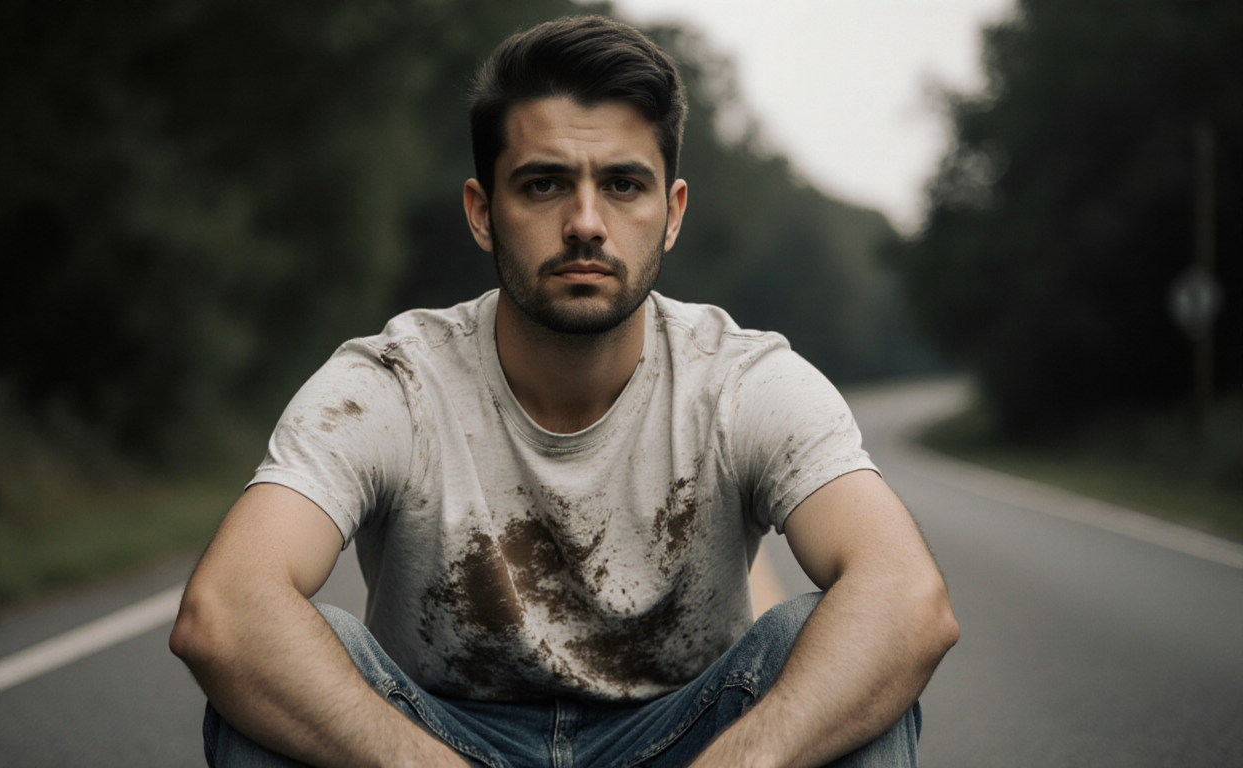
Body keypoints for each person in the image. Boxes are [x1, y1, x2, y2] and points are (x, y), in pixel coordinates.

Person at [169, 14, 959, 768]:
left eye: (622, 184)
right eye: (544, 185)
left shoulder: (742, 381)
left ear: (671, 213)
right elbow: (227, 609)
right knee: (283, 675)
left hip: (688, 741)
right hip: (437, 738)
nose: (585, 222)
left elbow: (907, 598)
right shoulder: (391, 383)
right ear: (483, 212)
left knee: (831, 653)